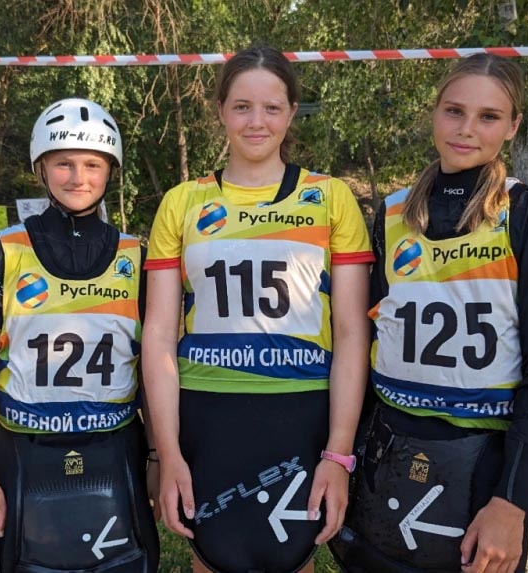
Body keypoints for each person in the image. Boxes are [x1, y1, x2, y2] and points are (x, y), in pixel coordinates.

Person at [329, 54, 528, 573]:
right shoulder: (392, 215)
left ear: (512, 126)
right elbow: (364, 339)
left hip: (482, 467)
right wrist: (342, 458)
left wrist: (512, 501)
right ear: (435, 113)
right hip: (387, 455)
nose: (467, 129)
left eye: (489, 116)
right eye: (454, 111)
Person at [142, 46, 374, 573]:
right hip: (208, 415)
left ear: (291, 113)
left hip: (300, 414)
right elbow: (157, 335)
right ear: (220, 110)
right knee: (213, 558)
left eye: (272, 108)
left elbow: (351, 335)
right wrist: (168, 451)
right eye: (242, 106)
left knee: (292, 559)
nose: (256, 122)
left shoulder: (330, 197)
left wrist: (338, 453)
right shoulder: (182, 202)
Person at [0, 97, 159, 573]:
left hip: (115, 449)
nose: (78, 177)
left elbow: (153, 372)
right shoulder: (0, 254)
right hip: (26, 453)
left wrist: (156, 458)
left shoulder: (138, 257)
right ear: (41, 168)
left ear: (110, 171)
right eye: (63, 163)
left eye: (92, 164)